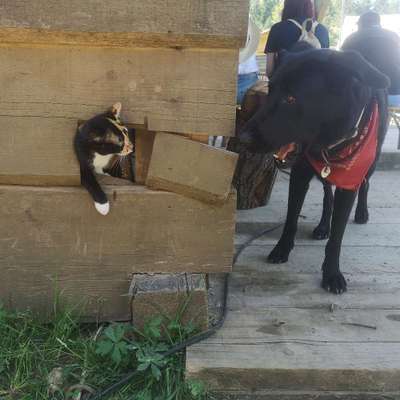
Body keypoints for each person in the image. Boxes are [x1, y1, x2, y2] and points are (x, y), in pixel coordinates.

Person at [342, 10, 400, 106]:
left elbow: (343, 65)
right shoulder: (394, 37)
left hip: (363, 97)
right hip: (395, 94)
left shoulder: (352, 39)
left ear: (361, 24)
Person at [264, 0, 330, 78]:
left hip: (286, 87)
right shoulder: (323, 31)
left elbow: (269, 71)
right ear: (309, 5)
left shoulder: (277, 29)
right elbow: (326, 66)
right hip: (315, 87)